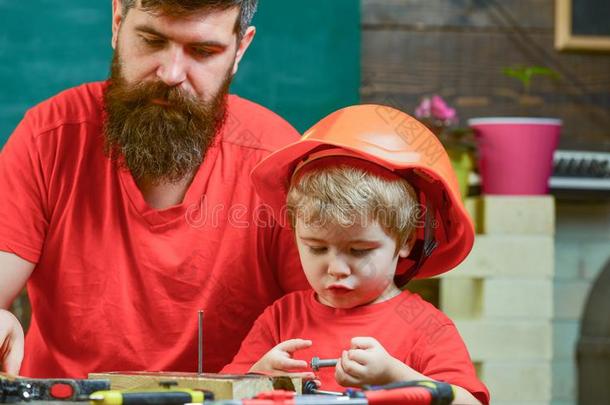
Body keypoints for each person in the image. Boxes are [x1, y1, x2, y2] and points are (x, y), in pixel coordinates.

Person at [0, 0, 309, 378]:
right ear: (117, 22)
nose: (171, 74)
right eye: (151, 40)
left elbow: (328, 321)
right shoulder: (47, 138)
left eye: (202, 51)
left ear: (240, 49)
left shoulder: (277, 161)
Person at [221, 105, 490, 404]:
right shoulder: (281, 318)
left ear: (404, 240)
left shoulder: (426, 327)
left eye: (359, 250)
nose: (336, 268)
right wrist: (258, 376)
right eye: (317, 248)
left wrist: (396, 376)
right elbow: (225, 395)